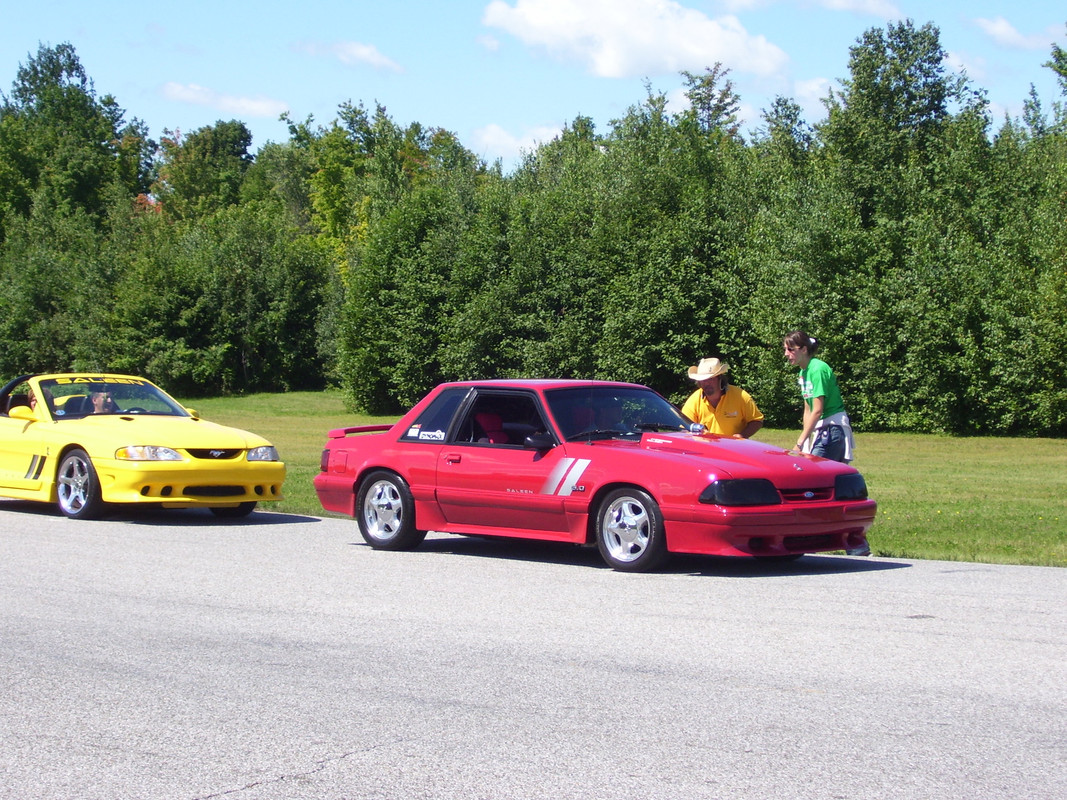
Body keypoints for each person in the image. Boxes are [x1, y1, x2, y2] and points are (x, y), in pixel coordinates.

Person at [783, 330, 868, 556]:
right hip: (821, 431)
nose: (787, 354)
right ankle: (839, 541)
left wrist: (800, 441)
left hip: (832, 429)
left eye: (790, 349)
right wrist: (804, 437)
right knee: (821, 487)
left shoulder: (818, 369)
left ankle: (855, 543)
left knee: (822, 485)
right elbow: (808, 407)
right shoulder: (804, 373)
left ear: (803, 350)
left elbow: (819, 409)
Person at [681, 357, 764, 438]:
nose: (707, 383)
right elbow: (684, 427)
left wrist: (742, 435)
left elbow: (756, 420)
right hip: (704, 449)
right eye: (703, 380)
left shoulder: (741, 396)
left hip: (733, 449)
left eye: (711, 379)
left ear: (719, 378)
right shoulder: (694, 400)